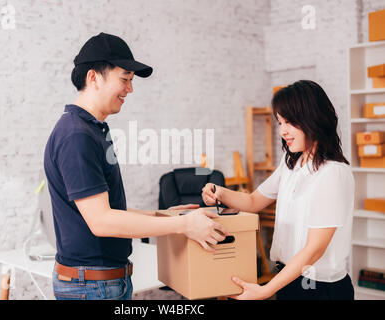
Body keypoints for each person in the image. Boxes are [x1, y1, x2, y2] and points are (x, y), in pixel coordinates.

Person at [44, 32, 227, 300]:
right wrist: (184, 226)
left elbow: (106, 210)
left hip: (99, 283)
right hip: (92, 287)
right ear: (93, 77)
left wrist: (163, 215)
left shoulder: (90, 130)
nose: (130, 89)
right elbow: (102, 222)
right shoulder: (77, 136)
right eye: (125, 79)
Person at [202, 80, 355, 300]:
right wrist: (220, 192)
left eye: (290, 122)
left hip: (319, 288)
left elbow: (315, 250)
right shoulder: (291, 163)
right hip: (288, 278)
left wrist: (265, 290)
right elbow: (254, 201)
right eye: (279, 122)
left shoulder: (333, 173)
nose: (282, 131)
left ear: (313, 119)